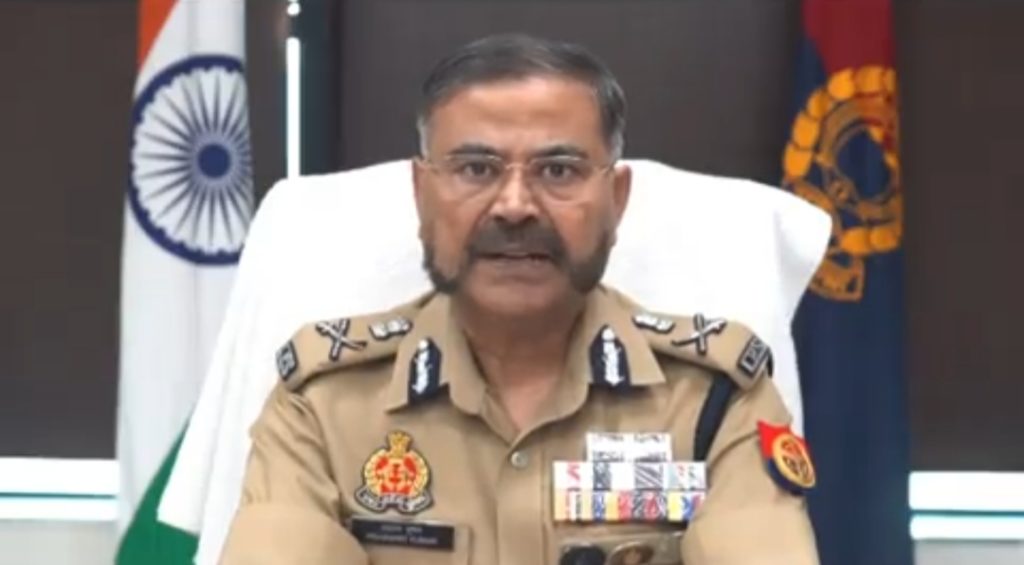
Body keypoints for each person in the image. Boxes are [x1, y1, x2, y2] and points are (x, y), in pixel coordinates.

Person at [219, 34, 819, 565]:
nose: (514, 206)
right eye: (476, 169)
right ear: (422, 194)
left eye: (558, 171)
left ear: (616, 200)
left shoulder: (712, 400)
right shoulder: (325, 404)